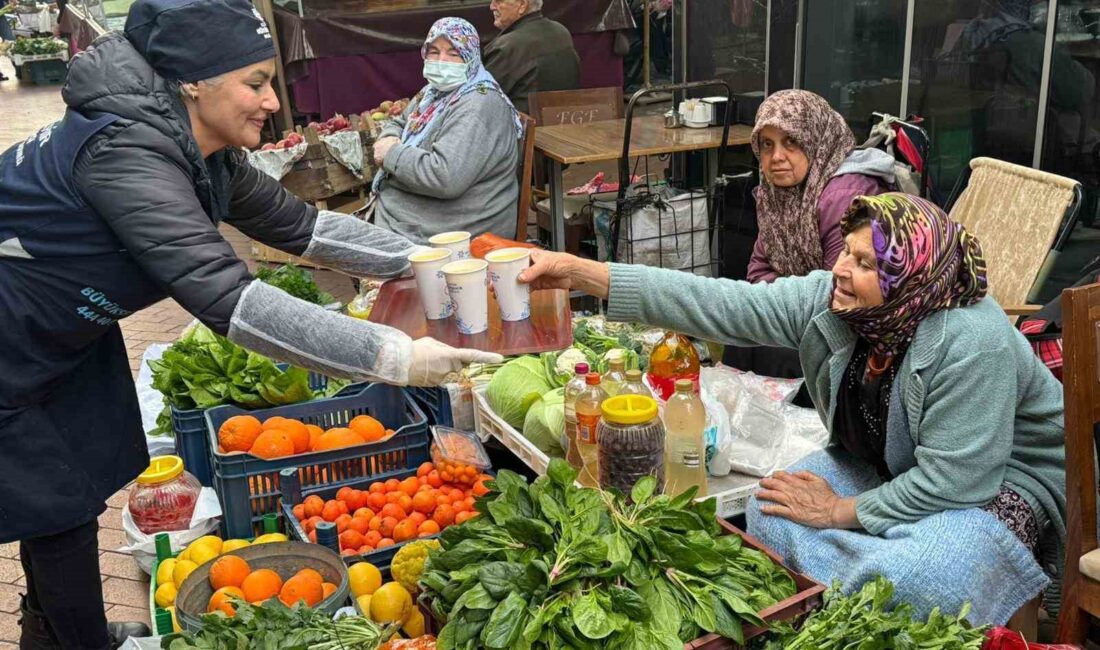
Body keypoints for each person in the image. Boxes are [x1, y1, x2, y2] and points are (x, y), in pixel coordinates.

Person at [0, 0, 501, 646]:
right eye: (255, 82)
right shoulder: (127, 153)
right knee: (57, 503)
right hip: (11, 335)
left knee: (74, 484)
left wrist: (433, 256)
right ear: (193, 82)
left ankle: (55, 630)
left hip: (62, 329)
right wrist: (396, 356)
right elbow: (232, 301)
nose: (272, 102)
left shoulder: (195, 151)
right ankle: (77, 642)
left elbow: (307, 229)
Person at [517, 192, 1065, 625]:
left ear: (910, 280)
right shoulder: (833, 303)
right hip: (890, 461)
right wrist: (584, 272)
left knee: (913, 575)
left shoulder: (971, 340)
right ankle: (862, 601)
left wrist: (839, 513)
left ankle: (898, 593)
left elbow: (958, 480)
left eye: (867, 263)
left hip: (1004, 479)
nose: (843, 271)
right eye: (846, 252)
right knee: (768, 510)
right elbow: (724, 303)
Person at [727, 89, 896, 402]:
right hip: (805, 312)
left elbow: (841, 293)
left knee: (772, 349)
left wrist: (784, 300)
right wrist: (787, 302)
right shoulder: (778, 194)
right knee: (743, 333)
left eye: (791, 141)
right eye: (767, 145)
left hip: (861, 330)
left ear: (816, 140)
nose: (776, 156)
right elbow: (757, 268)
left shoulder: (845, 196)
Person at [371, 17, 522, 244]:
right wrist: (390, 139)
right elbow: (400, 121)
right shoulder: (434, 92)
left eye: (453, 53)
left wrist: (391, 154)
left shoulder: (478, 104)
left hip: (458, 227)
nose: (442, 61)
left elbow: (444, 177)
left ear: (471, 58)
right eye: (434, 52)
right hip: (419, 211)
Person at [482, 0, 580, 114]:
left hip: (522, 128)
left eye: (499, 1)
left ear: (522, 5)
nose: (492, 6)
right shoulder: (561, 31)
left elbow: (481, 99)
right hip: (559, 123)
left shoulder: (508, 46)